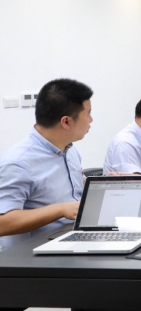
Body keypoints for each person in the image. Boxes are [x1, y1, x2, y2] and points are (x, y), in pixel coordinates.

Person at [0, 78, 92, 251]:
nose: (91, 120)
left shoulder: (70, 150)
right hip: (35, 257)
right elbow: (2, 223)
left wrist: (103, 184)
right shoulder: (17, 163)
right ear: (66, 122)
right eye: (88, 114)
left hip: (73, 240)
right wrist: (61, 210)